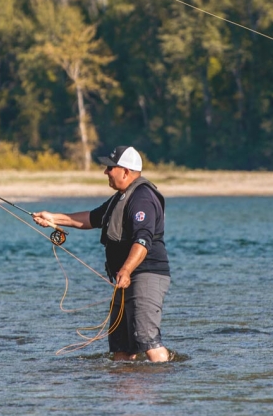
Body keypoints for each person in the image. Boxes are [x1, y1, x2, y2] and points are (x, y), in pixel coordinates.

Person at [33, 146, 172, 362]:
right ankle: (125, 393)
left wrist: (126, 270)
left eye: (110, 167)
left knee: (148, 341)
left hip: (144, 275)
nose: (105, 172)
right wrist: (53, 218)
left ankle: (162, 386)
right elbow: (91, 218)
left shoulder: (142, 198)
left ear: (125, 171)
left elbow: (143, 240)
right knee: (121, 348)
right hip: (124, 279)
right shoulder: (120, 198)